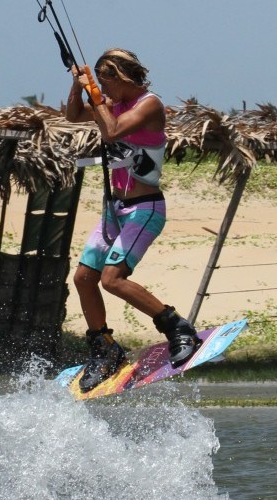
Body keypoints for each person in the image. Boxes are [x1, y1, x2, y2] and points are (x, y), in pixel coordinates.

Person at [65, 48, 200, 392]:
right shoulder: (111, 104)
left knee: (112, 279)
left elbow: (111, 131)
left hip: (144, 209)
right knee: (83, 277)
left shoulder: (149, 105)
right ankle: (105, 349)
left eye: (105, 81)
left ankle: (178, 328)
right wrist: (79, 87)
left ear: (121, 77)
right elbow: (73, 115)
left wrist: (97, 99)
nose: (104, 90)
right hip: (115, 211)